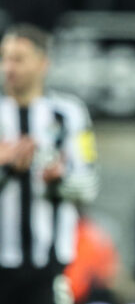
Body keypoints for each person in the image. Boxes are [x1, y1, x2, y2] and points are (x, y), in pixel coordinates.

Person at [0, 24, 98, 304]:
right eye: (4, 57)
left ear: (43, 63)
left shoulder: (70, 114)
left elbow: (89, 186)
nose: (9, 66)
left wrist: (59, 179)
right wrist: (5, 168)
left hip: (49, 262)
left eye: (18, 58)